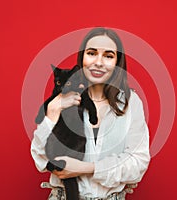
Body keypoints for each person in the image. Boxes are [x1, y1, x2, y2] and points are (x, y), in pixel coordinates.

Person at [31, 27, 150, 200]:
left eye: (108, 56)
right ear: (82, 58)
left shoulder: (130, 103)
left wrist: (86, 168)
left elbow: (137, 163)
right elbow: (40, 159)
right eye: (92, 53)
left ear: (117, 63)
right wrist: (52, 112)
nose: (99, 62)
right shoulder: (60, 99)